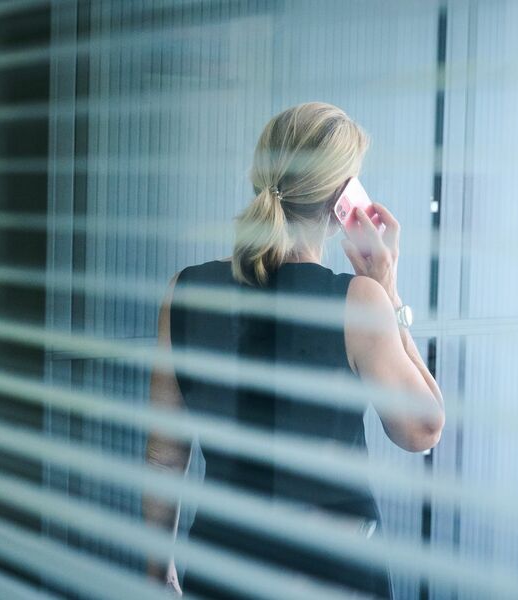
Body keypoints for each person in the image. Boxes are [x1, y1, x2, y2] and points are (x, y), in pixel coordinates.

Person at [143, 101, 445, 598]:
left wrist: (160, 574)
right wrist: (388, 289)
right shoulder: (356, 301)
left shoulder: (184, 291)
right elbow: (422, 429)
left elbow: (163, 457)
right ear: (341, 204)